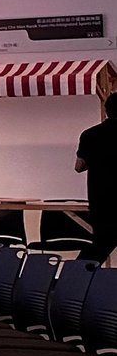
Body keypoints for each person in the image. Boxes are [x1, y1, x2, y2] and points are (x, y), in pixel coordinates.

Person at [76, 93, 117, 263]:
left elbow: (79, 167)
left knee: (99, 247)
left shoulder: (90, 134)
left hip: (101, 201)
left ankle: (76, 274)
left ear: (106, 110)